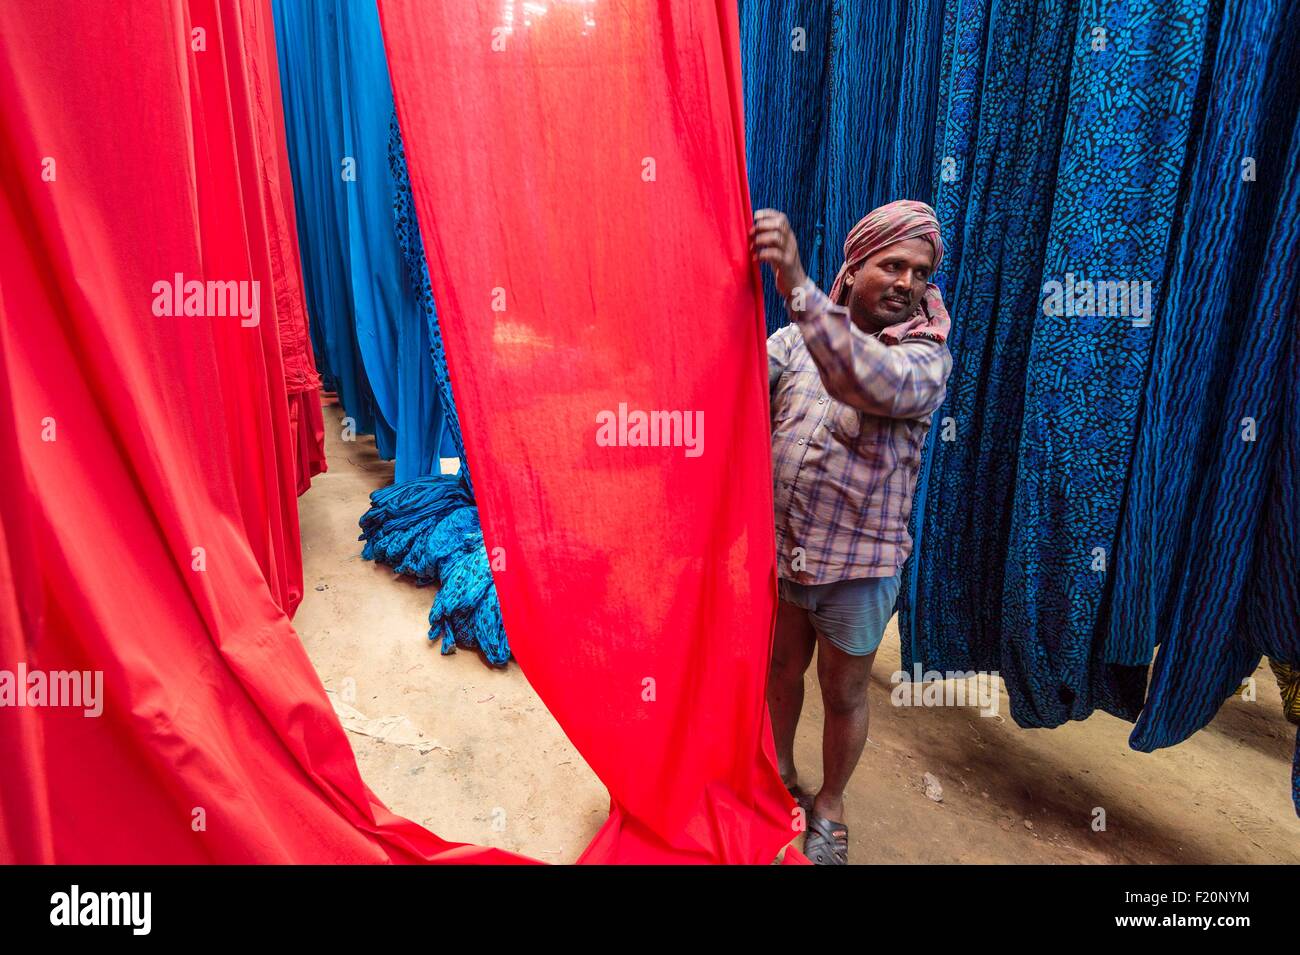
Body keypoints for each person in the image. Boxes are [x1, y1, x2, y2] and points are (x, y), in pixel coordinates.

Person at [750, 200, 953, 865]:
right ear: (856, 266)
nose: (905, 281)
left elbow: (862, 376)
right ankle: (778, 776)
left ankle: (830, 804)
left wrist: (798, 289)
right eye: (891, 264)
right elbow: (739, 387)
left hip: (859, 571)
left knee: (845, 693)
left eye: (919, 272)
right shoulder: (793, 344)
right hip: (785, 556)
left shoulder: (923, 363)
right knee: (781, 669)